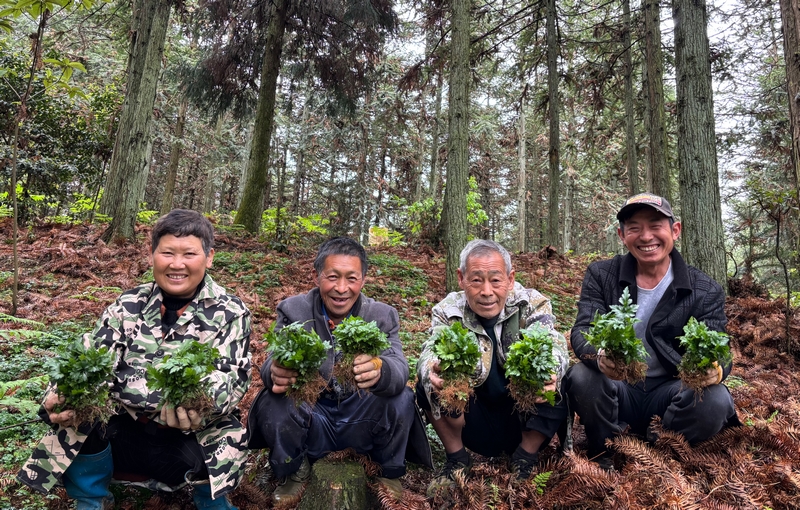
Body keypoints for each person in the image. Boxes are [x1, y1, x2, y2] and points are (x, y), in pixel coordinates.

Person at [17, 209, 252, 510]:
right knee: (80, 405)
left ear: (209, 257)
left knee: (225, 435)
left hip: (188, 441)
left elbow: (231, 378)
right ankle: (91, 500)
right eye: (167, 252)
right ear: (153, 254)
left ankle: (211, 501)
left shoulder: (230, 312)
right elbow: (92, 358)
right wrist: (59, 392)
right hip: (123, 433)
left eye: (189, 254)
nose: (176, 264)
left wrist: (196, 400)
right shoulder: (128, 304)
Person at [247, 237, 431, 505]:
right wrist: (273, 371)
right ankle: (293, 470)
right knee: (272, 398)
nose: (341, 288)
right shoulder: (293, 310)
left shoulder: (382, 315)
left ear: (363, 279)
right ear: (316, 276)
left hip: (361, 420)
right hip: (312, 420)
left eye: (351, 278)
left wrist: (381, 370)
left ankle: (385, 472)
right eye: (332, 277)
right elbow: (273, 359)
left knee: (401, 396)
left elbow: (400, 368)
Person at [563, 193, 740, 469]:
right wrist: (599, 356)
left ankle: (661, 449)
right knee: (582, 376)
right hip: (618, 386)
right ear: (622, 235)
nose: (646, 236)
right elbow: (583, 329)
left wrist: (716, 370)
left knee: (716, 398)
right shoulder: (602, 275)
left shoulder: (704, 289)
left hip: (672, 390)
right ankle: (605, 451)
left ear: (675, 230)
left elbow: (721, 348)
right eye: (634, 227)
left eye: (656, 225)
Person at [416, 240, 569, 496]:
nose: (487, 291)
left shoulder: (531, 303)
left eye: (495, 281)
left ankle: (525, 457)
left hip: (522, 416)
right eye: (476, 280)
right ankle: (456, 459)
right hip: (473, 418)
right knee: (428, 382)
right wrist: (431, 369)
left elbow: (553, 341)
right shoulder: (448, 310)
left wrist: (552, 368)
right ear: (461, 278)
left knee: (561, 379)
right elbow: (432, 347)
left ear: (510, 279)